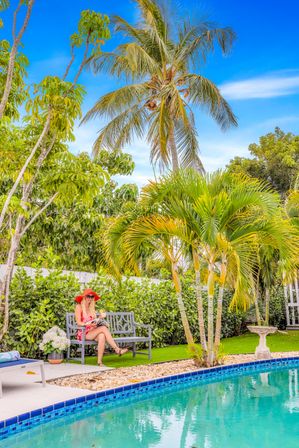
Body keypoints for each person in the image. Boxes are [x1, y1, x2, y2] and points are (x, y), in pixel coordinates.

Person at [75, 288, 128, 366]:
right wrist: (87, 324)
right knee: (103, 328)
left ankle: (99, 362)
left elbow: (94, 321)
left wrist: (100, 318)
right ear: (84, 297)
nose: (90, 298)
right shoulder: (79, 307)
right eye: (88, 296)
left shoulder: (91, 308)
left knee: (102, 335)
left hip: (93, 331)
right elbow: (79, 323)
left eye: (91, 297)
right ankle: (117, 350)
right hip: (83, 332)